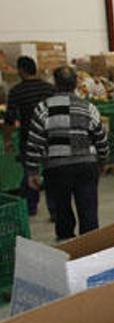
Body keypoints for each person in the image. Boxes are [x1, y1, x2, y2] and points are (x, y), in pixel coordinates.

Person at [24, 66, 108, 241]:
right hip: (86, 166)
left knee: (62, 212)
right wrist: (102, 161)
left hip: (56, 169)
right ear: (76, 83)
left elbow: (34, 142)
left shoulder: (43, 108)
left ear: (55, 83)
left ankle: (67, 246)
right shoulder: (88, 107)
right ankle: (91, 251)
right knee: (89, 211)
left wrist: (32, 171)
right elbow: (101, 137)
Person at [3, 56, 54, 216]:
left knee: (30, 173)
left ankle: (30, 208)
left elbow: (10, 119)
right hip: (50, 138)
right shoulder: (49, 89)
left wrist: (8, 140)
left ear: (21, 71)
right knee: (51, 173)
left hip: (29, 139)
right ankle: (55, 210)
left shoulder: (16, 91)